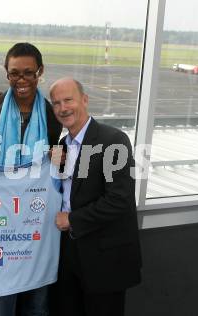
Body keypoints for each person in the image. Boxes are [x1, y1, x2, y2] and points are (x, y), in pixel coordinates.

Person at [0, 42, 63, 316]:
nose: (21, 80)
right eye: (14, 73)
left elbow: (59, 165)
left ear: (40, 72)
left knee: (37, 305)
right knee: (0, 305)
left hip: (37, 226)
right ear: (6, 74)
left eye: (28, 73)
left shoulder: (51, 114)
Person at [48, 77, 142, 316]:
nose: (63, 108)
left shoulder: (114, 141)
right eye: (56, 103)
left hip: (105, 259)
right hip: (70, 253)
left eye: (68, 100)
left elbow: (119, 200)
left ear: (85, 100)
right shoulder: (62, 145)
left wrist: (72, 219)